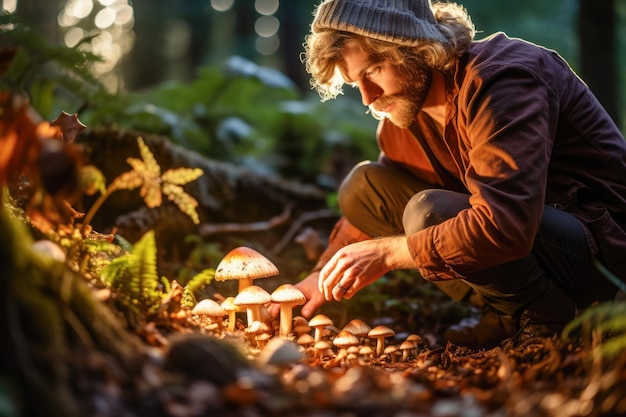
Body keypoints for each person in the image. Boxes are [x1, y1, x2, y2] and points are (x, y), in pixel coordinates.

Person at [276, 0, 626, 347]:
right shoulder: (404, 116)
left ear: (413, 47)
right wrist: (319, 276)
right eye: (356, 83)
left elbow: (507, 225)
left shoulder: (502, 81)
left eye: (373, 70)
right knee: (362, 187)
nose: (368, 98)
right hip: (535, 246)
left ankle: (551, 320)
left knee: (428, 213)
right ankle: (510, 311)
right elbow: (375, 205)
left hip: (602, 249)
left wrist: (389, 254)